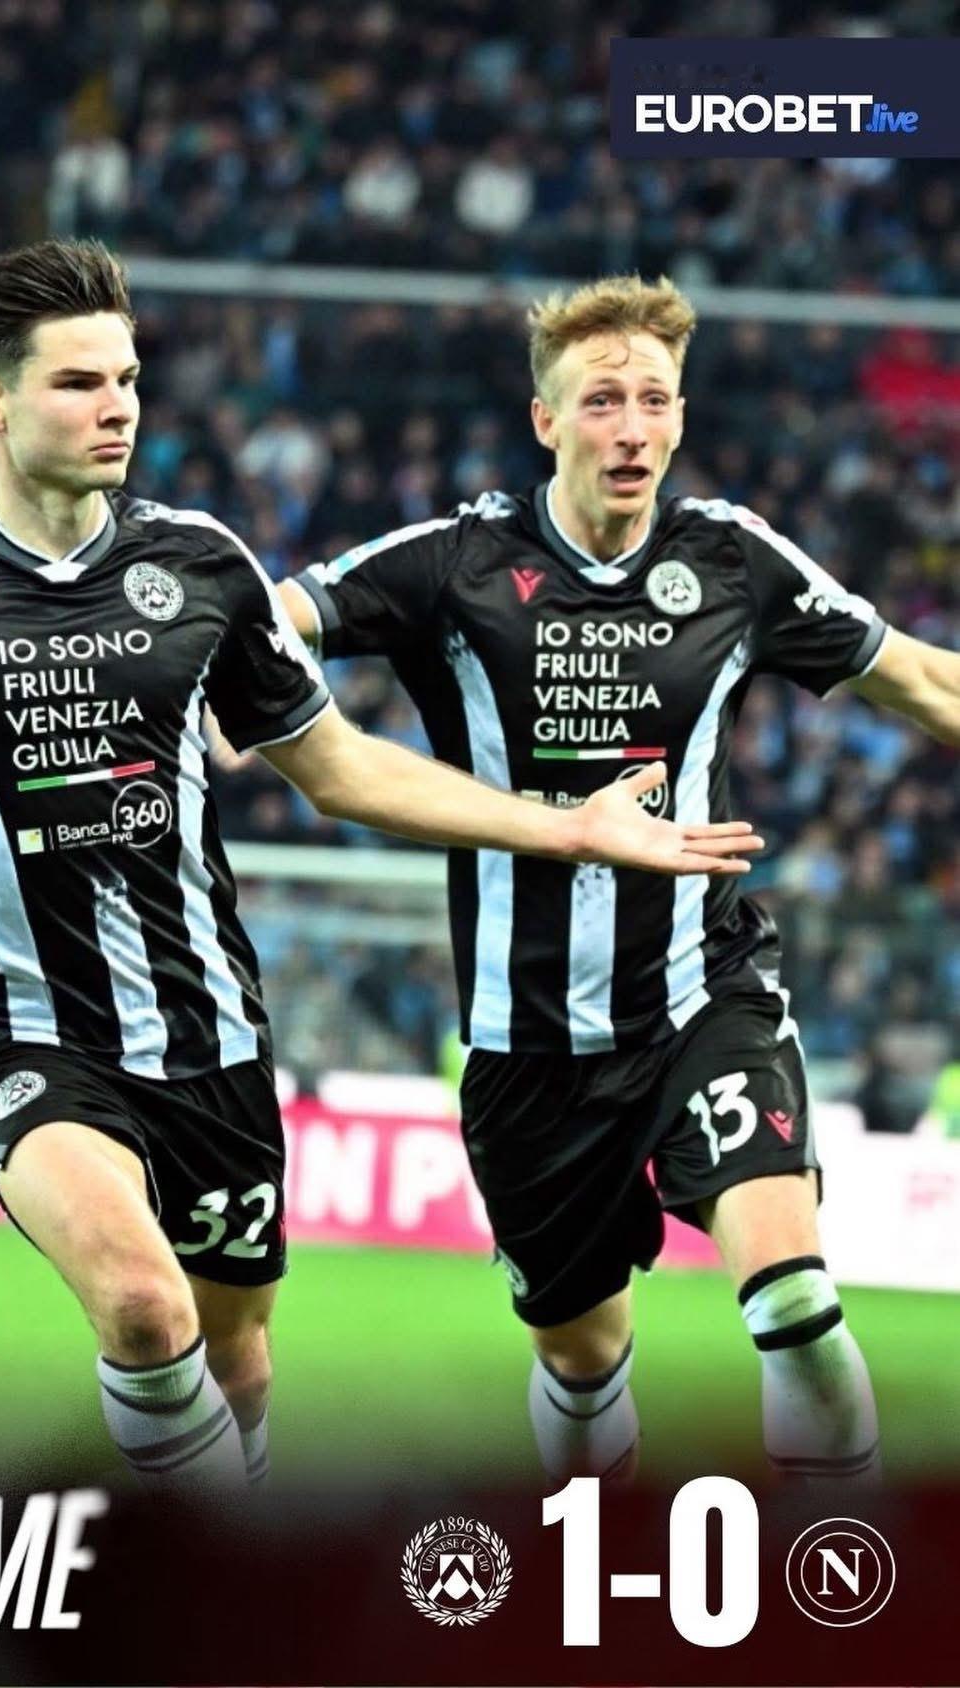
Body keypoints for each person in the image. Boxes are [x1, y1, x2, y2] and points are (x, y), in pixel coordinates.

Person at [0, 244, 761, 1494]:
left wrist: (569, 826)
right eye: (78, 383)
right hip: (18, 1033)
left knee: (237, 1360)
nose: (117, 407)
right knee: (143, 1305)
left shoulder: (203, 568)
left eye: (127, 378)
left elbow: (342, 767)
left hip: (210, 1036)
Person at [282, 274, 960, 1489]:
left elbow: (919, 678)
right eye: (602, 400)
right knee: (585, 1362)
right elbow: (272, 620)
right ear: (547, 420)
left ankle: (849, 1572)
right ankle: (593, 1561)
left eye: (654, 399)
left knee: (795, 1301)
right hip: (528, 1048)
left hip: (702, 998)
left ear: (682, 416)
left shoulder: (731, 560)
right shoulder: (456, 564)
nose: (632, 427)